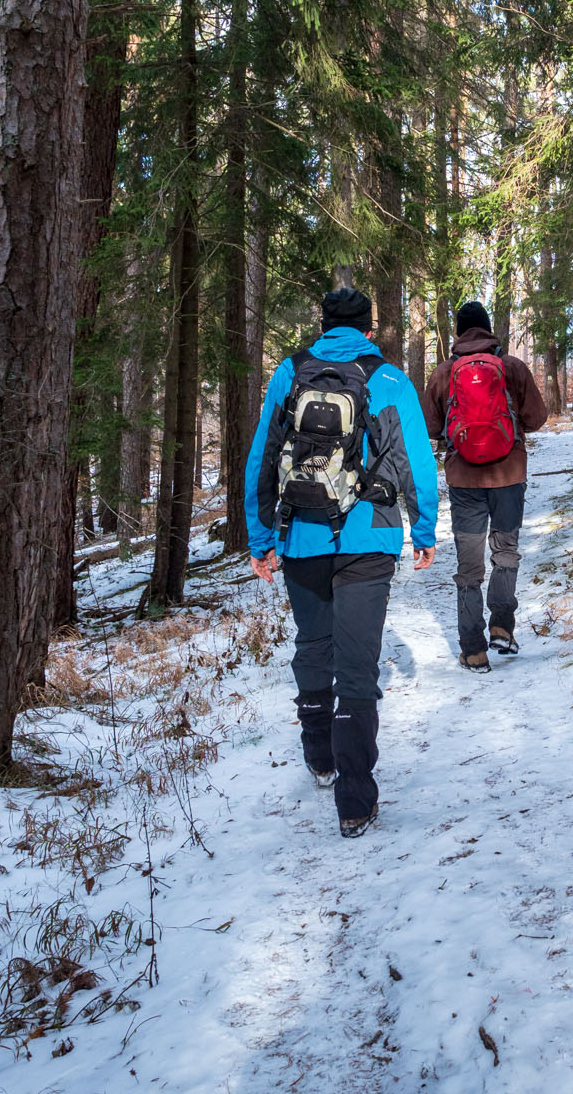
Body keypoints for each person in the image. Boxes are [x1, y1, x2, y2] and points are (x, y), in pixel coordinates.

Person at [244, 288, 438, 838]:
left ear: (322, 323)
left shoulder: (290, 372)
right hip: (369, 537)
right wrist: (422, 531)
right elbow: (417, 462)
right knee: (357, 663)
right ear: (369, 330)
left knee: (314, 643)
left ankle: (319, 754)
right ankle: (355, 801)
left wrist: (262, 540)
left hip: (302, 536)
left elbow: (261, 456)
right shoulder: (390, 379)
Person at [426, 301, 550, 672]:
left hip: (464, 480)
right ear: (487, 329)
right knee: (506, 551)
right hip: (509, 475)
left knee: (469, 564)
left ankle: (473, 649)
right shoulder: (511, 367)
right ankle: (502, 625)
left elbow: (431, 427)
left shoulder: (445, 372)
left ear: (459, 333)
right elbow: (538, 418)